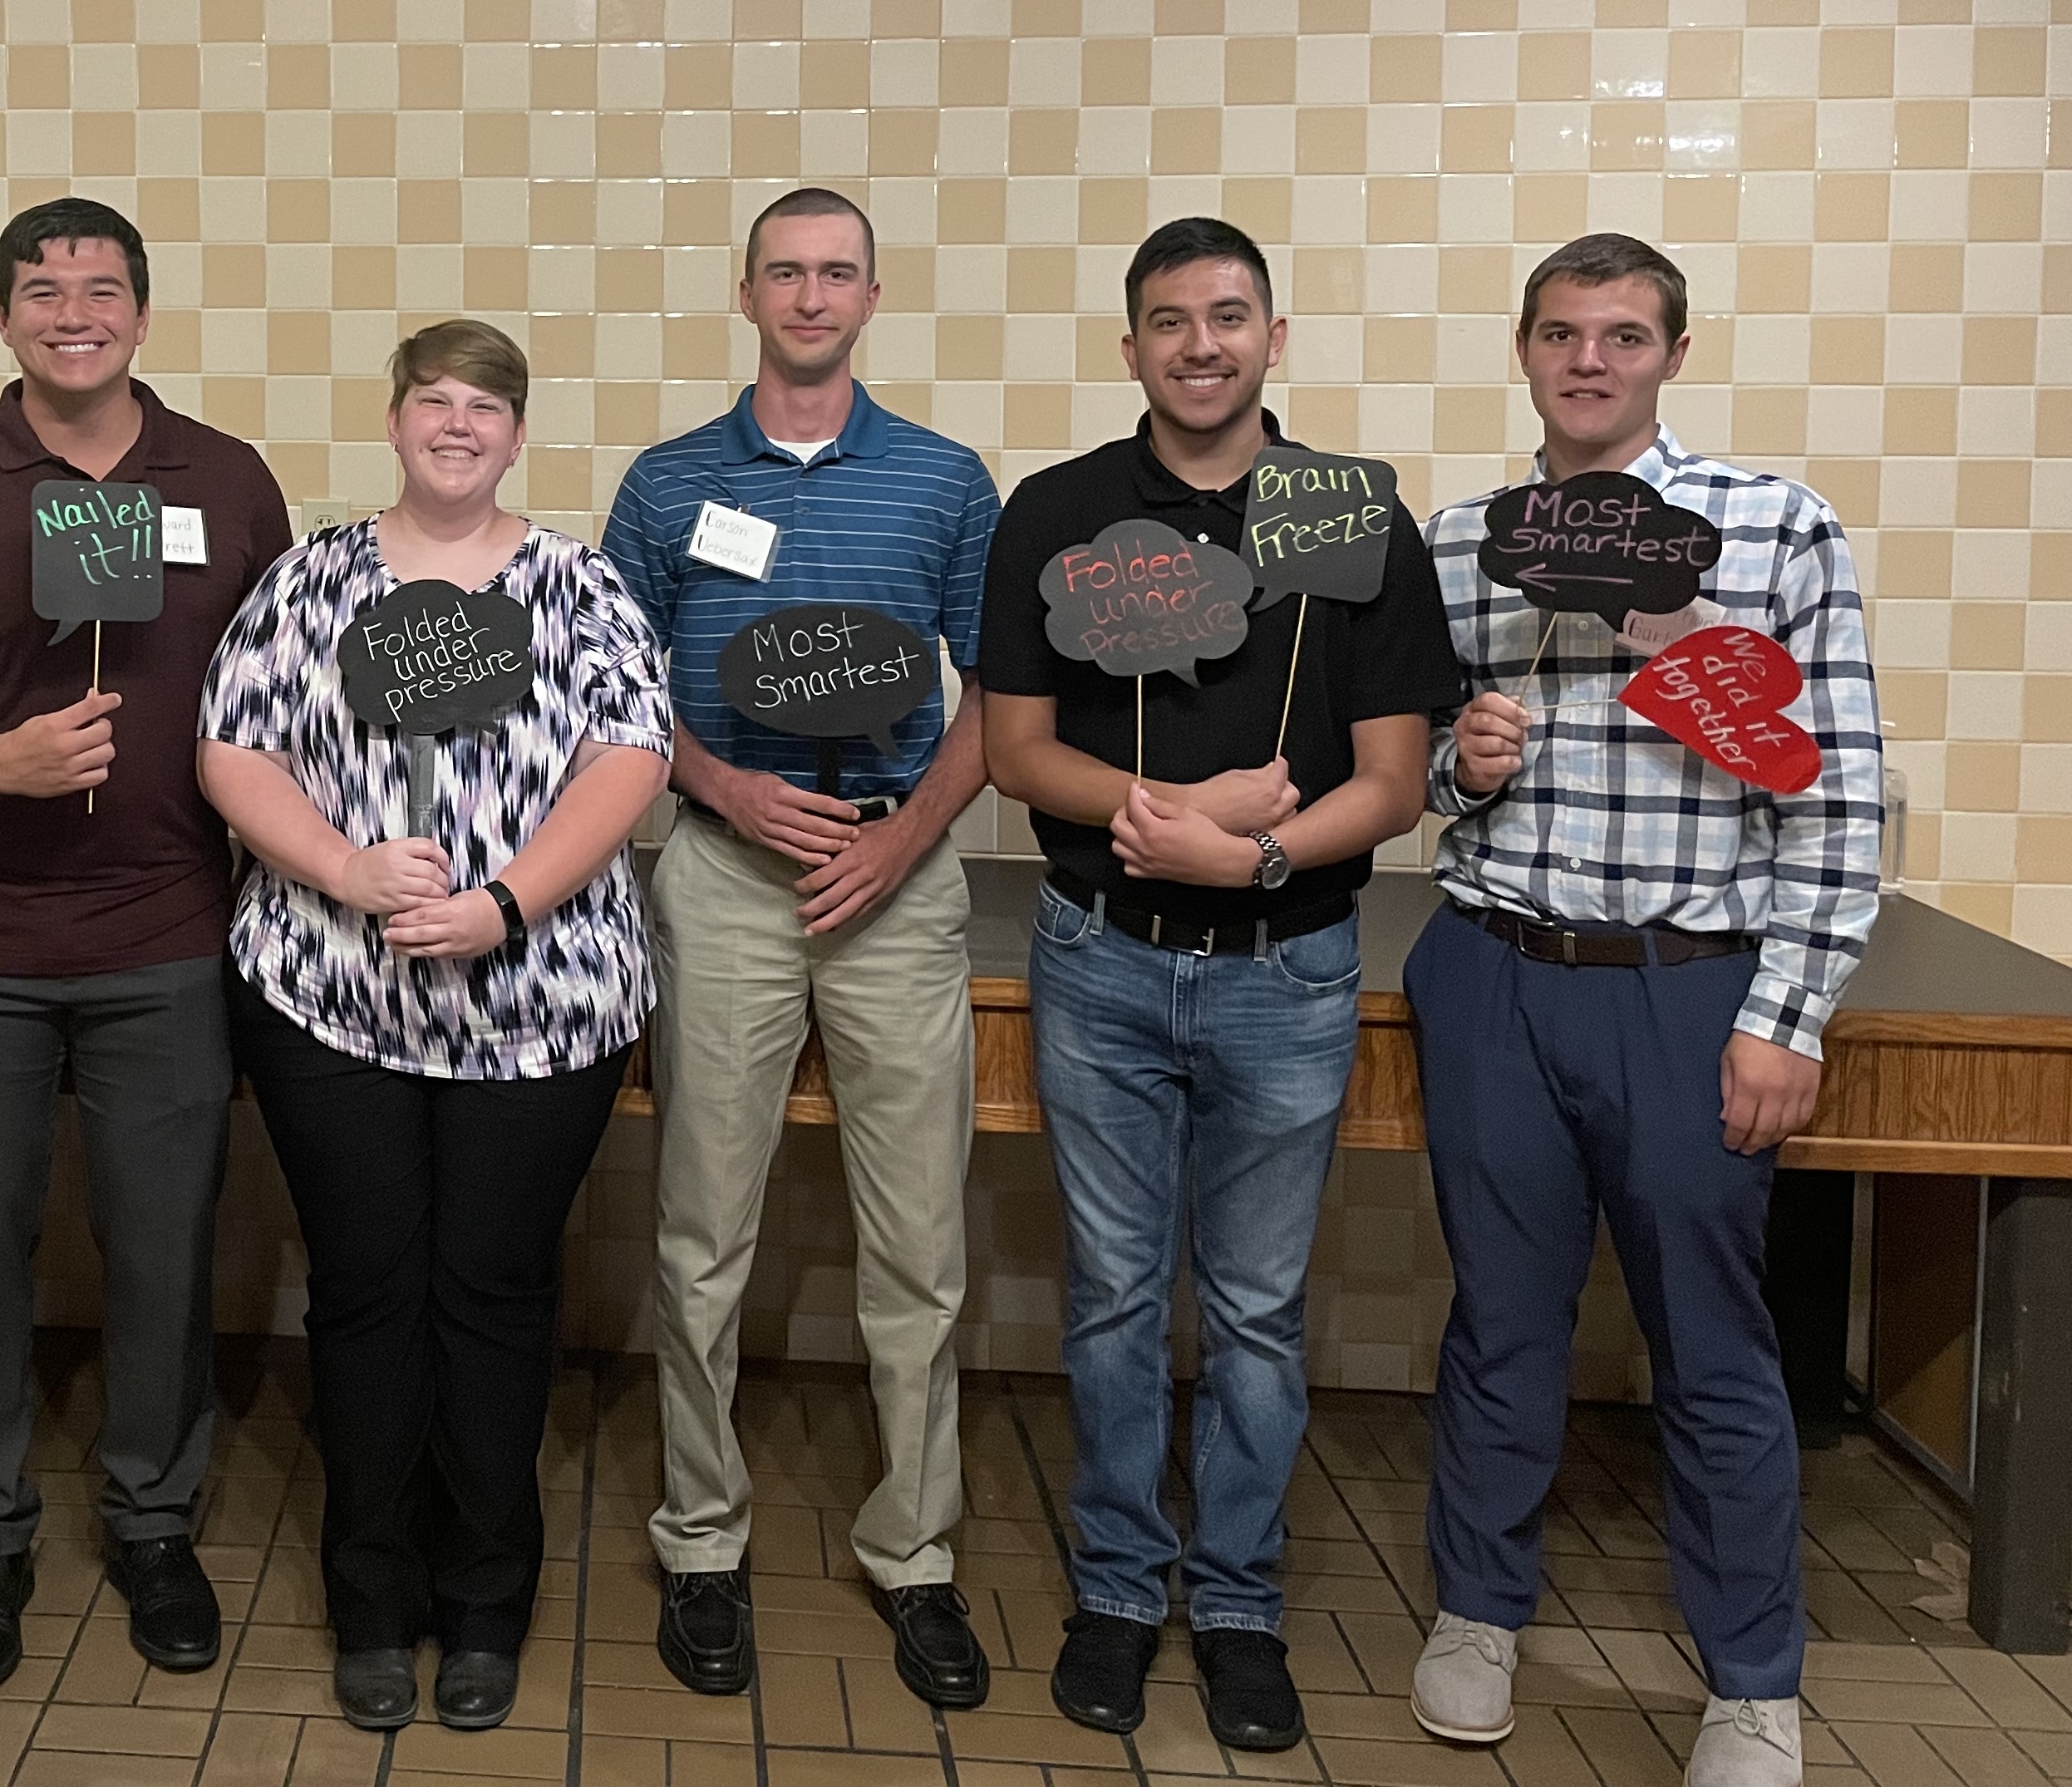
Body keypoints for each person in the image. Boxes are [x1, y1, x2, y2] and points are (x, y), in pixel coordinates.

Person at [977, 217, 1459, 1754]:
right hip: (1099, 961)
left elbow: (1395, 784)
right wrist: (1180, 817)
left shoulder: (1349, 515)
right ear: (1130, 346)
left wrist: (1245, 856)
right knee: (1116, 1299)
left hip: (1289, 968)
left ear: (1273, 337)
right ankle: (1121, 1591)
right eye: (1171, 321)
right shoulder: (1059, 511)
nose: (1202, 345)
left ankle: (1240, 1604)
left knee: (1255, 1311)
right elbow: (1015, 750)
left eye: (1230, 316)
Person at [1406, 234, 1881, 1787]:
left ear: (1675, 352)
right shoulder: (1463, 542)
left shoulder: (1772, 529)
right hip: (1495, 972)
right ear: (1524, 349)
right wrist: (1459, 767)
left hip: (1690, 989)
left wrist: (1787, 1015)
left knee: (1713, 1342)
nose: (1589, 361)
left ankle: (1752, 1684)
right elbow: (1405, 771)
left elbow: (1838, 795)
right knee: (1501, 1321)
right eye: (1561, 333)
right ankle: (1479, 1610)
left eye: (1622, 336)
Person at [199, 322, 671, 1734]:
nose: (458, 426)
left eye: (485, 407)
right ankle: (369, 1597)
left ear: (517, 435)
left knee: (493, 1293)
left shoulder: (579, 585)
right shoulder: (311, 581)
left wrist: (506, 903)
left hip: (540, 1005)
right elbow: (232, 746)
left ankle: (483, 1602)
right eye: (434, 402)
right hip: (330, 1000)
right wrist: (346, 869)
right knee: (363, 1292)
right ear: (396, 421)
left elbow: (632, 753)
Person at [0, 199, 292, 1696]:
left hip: (168, 930)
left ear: (142, 316)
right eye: (41, 292)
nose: (72, 314)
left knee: (164, 1247)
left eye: (100, 290)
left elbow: (280, 696)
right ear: (4, 320)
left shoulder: (227, 482)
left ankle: (154, 1522)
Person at [600, 186, 1002, 1712]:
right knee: (702, 1233)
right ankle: (701, 1537)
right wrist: (721, 788)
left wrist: (903, 842)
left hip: (897, 879)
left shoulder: (945, 481)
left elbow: (997, 699)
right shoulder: (669, 483)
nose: (812, 295)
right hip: (725, 878)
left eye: (839, 273)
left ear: (873, 298)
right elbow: (614, 689)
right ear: (747, 293)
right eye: (787, 271)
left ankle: (916, 1551)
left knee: (920, 1243)